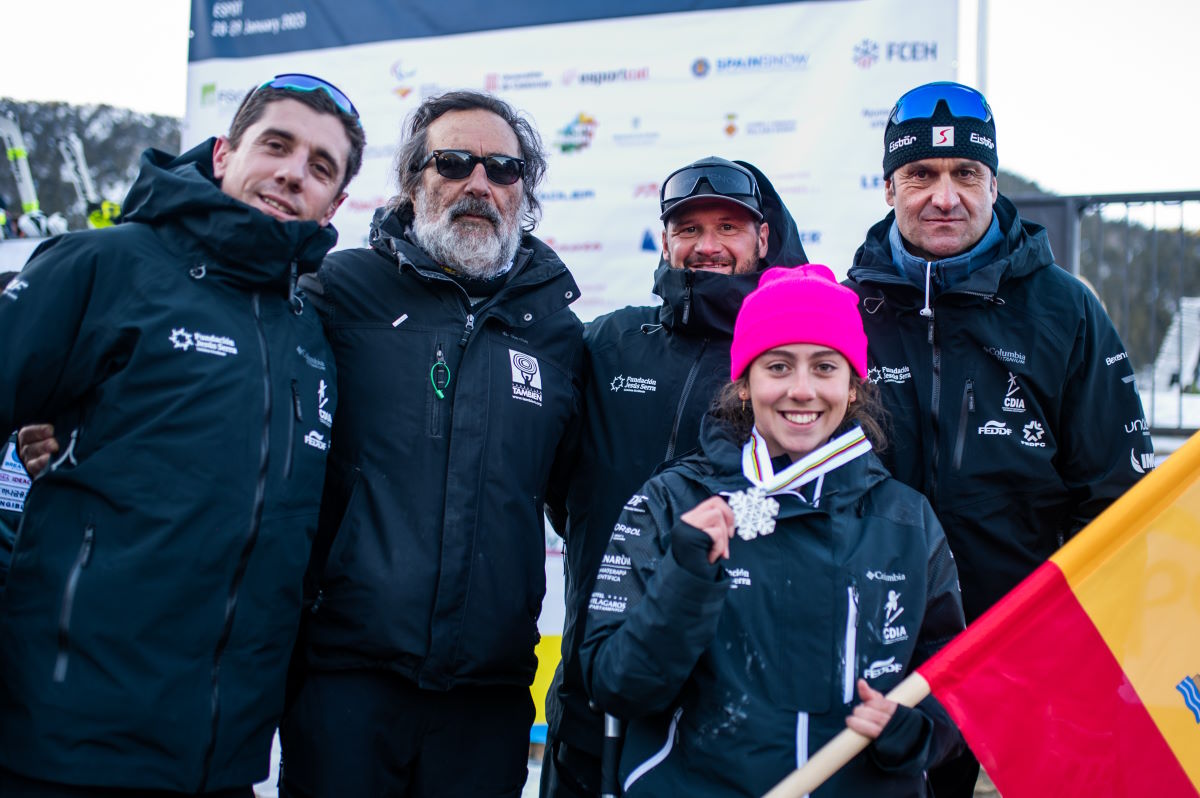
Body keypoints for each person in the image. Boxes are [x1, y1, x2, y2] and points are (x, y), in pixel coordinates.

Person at [0, 73, 364, 796]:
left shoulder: (310, 335)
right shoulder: (106, 265)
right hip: (68, 749)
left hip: (222, 763)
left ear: (336, 203)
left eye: (320, 167)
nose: (293, 173)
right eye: (277, 145)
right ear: (226, 153)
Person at [845, 80, 1154, 796]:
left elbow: (1116, 494)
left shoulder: (1065, 307)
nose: (943, 196)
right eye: (921, 174)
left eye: (966, 175)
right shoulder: (847, 307)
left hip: (1032, 639)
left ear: (992, 182)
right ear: (890, 185)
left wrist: (1084, 635)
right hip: (891, 644)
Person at [277, 90, 584, 798]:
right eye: (453, 162)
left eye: (503, 170)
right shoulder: (337, 292)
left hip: (488, 697)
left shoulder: (559, 335)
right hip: (346, 684)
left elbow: (587, 497)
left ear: (523, 195)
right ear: (416, 179)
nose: (479, 183)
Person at [580, 265, 965, 797]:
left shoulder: (906, 519)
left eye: (825, 367)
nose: (802, 391)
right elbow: (613, 686)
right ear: (744, 385)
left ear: (853, 388)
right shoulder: (672, 503)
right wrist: (687, 578)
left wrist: (913, 731)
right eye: (779, 366)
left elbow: (955, 683)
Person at [540, 156, 808, 798]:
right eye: (688, 228)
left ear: (763, 239)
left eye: (729, 227)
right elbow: (560, 488)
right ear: (665, 240)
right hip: (590, 683)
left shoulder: (785, 364)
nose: (707, 245)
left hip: (722, 706)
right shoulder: (610, 341)